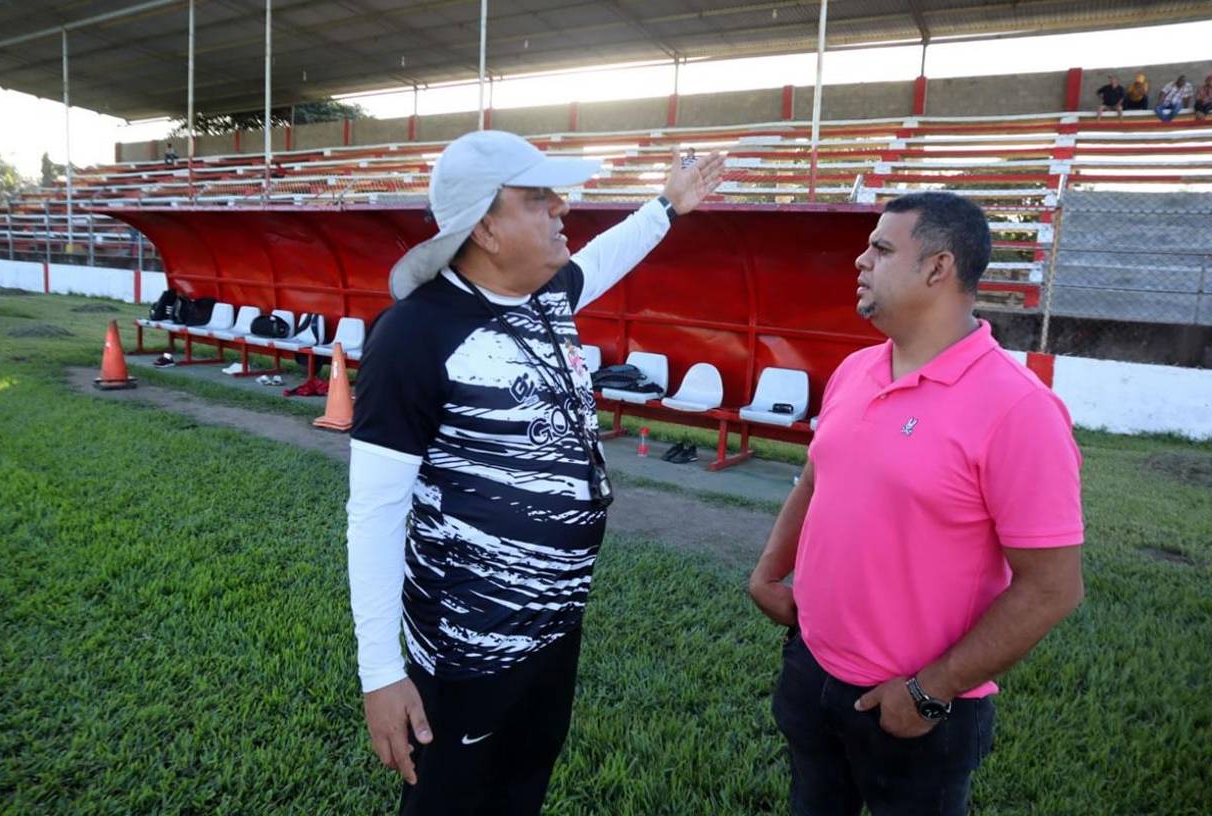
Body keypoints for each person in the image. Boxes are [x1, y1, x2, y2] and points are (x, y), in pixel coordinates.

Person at [346, 129, 723, 815]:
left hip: (555, 628)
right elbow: (373, 512)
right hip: (468, 646)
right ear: (486, 227)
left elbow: (605, 258)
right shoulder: (415, 334)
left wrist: (667, 205)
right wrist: (381, 672)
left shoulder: (546, 297)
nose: (563, 209)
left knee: (522, 791)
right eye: (539, 198)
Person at [749, 191, 1085, 816]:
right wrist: (770, 572)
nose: (860, 261)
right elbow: (815, 479)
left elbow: (1053, 588)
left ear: (938, 268)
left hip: (917, 708)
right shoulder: (855, 370)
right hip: (810, 668)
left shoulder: (1019, 410)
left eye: (880, 248)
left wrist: (931, 691)